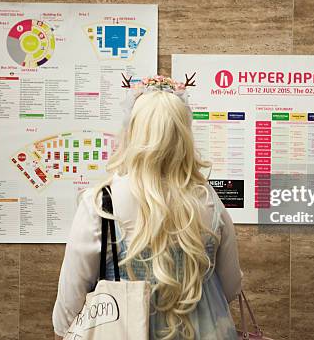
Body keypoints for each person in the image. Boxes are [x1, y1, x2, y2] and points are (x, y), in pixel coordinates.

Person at [52, 75, 242, 339]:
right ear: (184, 135)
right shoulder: (209, 199)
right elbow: (230, 287)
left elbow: (71, 300)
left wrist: (63, 331)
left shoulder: (102, 202)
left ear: (133, 133)